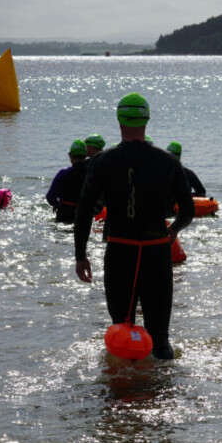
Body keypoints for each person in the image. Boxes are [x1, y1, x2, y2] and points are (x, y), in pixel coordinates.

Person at [74, 92, 195, 360]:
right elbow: (188, 212)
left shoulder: (102, 161)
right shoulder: (168, 162)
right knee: (160, 338)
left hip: (120, 252)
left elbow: (83, 212)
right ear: (147, 120)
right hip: (156, 252)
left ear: (119, 119)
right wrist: (173, 231)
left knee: (122, 332)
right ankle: (165, 395)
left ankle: (122, 396)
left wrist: (80, 256)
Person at [46, 139, 88, 224]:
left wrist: (57, 204)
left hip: (64, 214)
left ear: (70, 155)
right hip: (84, 214)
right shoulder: (91, 174)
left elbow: (50, 197)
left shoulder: (63, 173)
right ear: (85, 155)